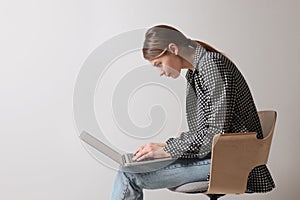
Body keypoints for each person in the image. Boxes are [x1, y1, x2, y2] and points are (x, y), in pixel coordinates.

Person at [110, 25, 275, 200]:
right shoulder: (196, 72)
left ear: (173, 49)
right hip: (218, 156)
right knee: (129, 169)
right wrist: (164, 147)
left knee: (129, 174)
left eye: (159, 64)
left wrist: (168, 151)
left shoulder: (212, 66)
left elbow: (214, 134)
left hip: (229, 161)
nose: (159, 72)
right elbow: (204, 133)